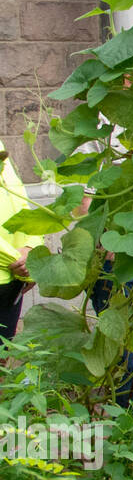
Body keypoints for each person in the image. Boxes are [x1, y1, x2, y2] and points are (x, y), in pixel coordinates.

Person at [0, 147, 40, 343]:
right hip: (11, 267)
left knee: (2, 359)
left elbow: (20, 203)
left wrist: (31, 249)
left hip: (12, 280)